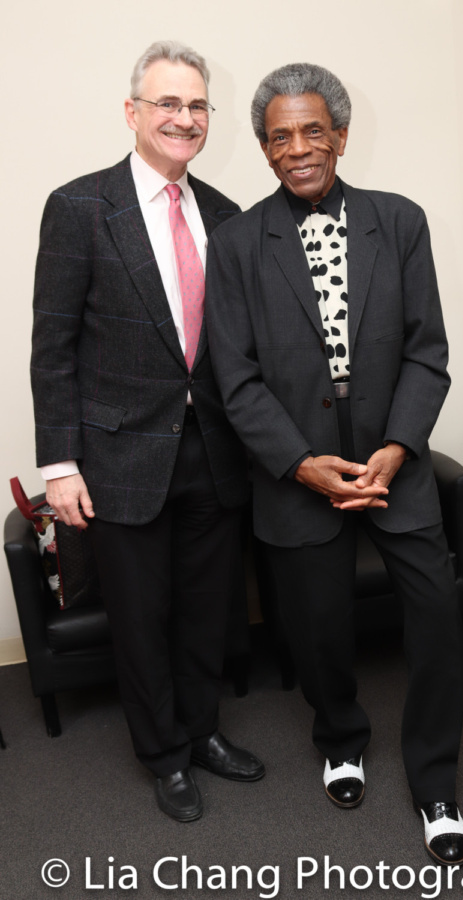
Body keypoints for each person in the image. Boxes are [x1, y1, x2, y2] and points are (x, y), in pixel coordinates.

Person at [205, 63, 463, 864]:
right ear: (263, 149)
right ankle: (342, 738)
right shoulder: (238, 244)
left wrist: (396, 447)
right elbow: (235, 378)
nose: (296, 148)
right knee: (317, 631)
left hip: (396, 458)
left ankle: (436, 783)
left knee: (435, 621)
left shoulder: (402, 221)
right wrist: (298, 464)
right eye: (278, 136)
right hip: (297, 472)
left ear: (341, 136)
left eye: (312, 130)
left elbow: (428, 351)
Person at [30, 40, 264, 823]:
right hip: (119, 458)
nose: (184, 117)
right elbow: (53, 344)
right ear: (132, 112)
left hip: (213, 453)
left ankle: (202, 732)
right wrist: (60, 464)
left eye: (197, 105)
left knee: (207, 609)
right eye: (168, 103)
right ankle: (162, 755)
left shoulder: (225, 216)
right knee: (140, 617)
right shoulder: (79, 207)